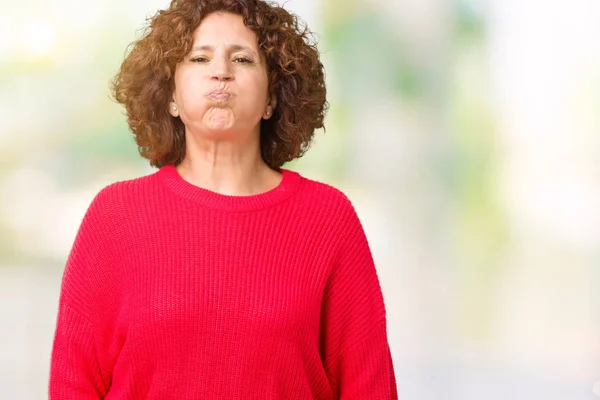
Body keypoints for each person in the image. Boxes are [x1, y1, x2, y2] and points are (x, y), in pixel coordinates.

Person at [49, 0, 398, 398]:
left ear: (272, 98)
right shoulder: (115, 216)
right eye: (199, 58)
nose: (221, 72)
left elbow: (368, 386)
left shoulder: (327, 218)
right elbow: (72, 384)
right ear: (171, 98)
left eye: (243, 59)